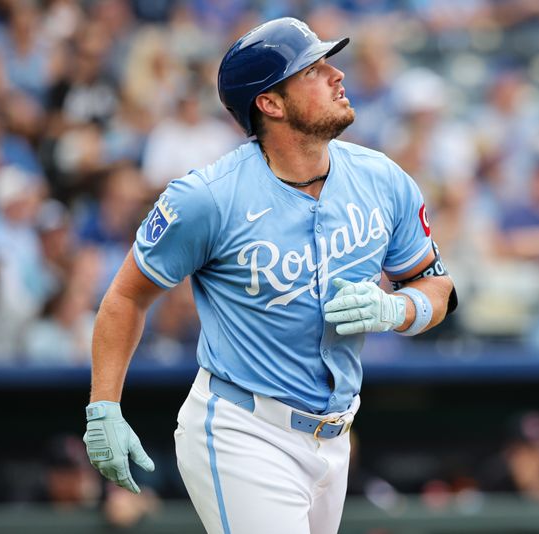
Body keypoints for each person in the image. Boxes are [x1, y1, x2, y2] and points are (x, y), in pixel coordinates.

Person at [82, 17, 457, 534]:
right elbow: (126, 296)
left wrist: (400, 308)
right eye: (313, 69)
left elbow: (438, 285)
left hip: (336, 433)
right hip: (244, 429)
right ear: (271, 103)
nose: (336, 75)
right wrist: (104, 405)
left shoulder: (382, 178)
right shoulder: (207, 198)